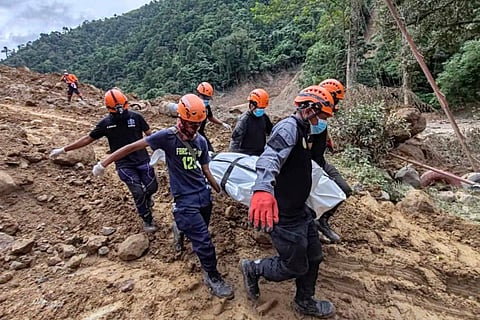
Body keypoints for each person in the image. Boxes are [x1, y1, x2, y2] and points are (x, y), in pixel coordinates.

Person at [91, 93, 234, 299]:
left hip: (203, 195)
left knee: (202, 226)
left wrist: (218, 189)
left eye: (198, 125)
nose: (195, 129)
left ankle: (180, 228)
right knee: (204, 242)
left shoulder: (200, 141)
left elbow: (205, 169)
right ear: (182, 119)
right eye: (192, 125)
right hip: (184, 200)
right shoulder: (166, 137)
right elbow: (131, 147)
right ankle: (212, 276)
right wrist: (103, 163)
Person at [239, 85, 336, 319]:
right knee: (295, 265)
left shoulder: (303, 129)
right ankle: (253, 268)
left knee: (314, 257)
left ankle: (304, 301)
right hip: (284, 214)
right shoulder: (288, 128)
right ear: (311, 109)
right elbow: (270, 157)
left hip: (300, 210)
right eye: (322, 115)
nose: (322, 120)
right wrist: (262, 189)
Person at [49, 88, 158, 232]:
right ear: (109, 109)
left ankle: (148, 197)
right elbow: (88, 139)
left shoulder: (136, 117)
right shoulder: (105, 124)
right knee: (137, 191)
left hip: (142, 159)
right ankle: (147, 219)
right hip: (124, 164)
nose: (120, 112)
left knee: (152, 187)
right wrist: (64, 149)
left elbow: (150, 135)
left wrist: (160, 148)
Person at [313, 79, 352, 243]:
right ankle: (311, 227)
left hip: (320, 161)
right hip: (310, 166)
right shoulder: (310, 115)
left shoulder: (323, 116)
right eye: (335, 100)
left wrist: (328, 140)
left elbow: (323, 126)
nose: (336, 104)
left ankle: (322, 221)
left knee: (345, 190)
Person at [229, 88, 273, 156]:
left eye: (263, 108)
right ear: (251, 105)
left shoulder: (264, 117)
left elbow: (271, 132)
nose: (261, 110)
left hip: (260, 153)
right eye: (259, 108)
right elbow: (235, 141)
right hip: (245, 155)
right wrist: (232, 157)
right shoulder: (244, 120)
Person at [196, 81, 232, 152]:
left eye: (208, 99)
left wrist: (222, 123)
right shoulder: (193, 106)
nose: (206, 100)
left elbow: (210, 117)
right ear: (199, 95)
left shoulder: (206, 107)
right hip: (191, 134)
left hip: (200, 133)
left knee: (210, 151)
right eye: (205, 98)